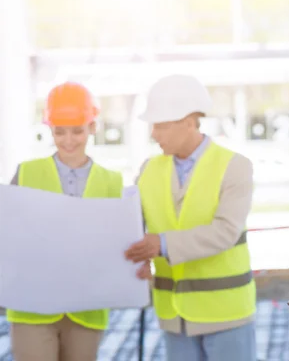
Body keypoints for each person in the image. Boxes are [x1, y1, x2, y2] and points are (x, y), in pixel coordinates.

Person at [124, 74, 256, 361]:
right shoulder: (148, 170)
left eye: (160, 125)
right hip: (174, 316)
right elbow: (133, 229)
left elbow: (225, 231)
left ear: (189, 121)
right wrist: (138, 259)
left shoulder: (234, 167)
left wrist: (160, 245)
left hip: (226, 313)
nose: (153, 134)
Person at [7, 82, 127, 361]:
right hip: (32, 306)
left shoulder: (112, 182)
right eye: (59, 132)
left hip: (87, 306)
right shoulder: (26, 173)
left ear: (93, 127)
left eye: (78, 131)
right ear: (49, 129)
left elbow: (119, 243)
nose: (69, 140)